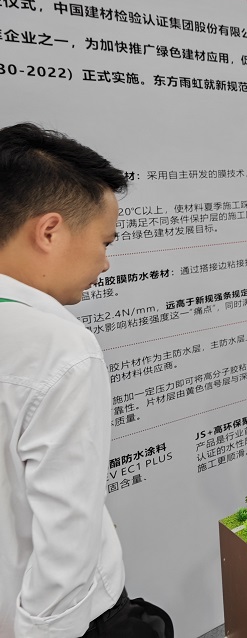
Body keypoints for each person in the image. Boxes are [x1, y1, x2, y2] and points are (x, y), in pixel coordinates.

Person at [1, 123, 145, 638]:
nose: (105, 262)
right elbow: (66, 536)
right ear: (49, 231)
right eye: (104, 241)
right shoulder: (60, 349)